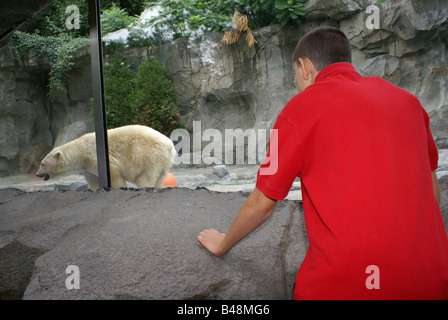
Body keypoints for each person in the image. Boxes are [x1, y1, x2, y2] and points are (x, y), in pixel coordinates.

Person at [197, 26, 448, 299]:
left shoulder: (299, 109)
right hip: (431, 276)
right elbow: (431, 189)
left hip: (348, 285)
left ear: (304, 67)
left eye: (296, 75)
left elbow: (262, 203)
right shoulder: (410, 102)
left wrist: (223, 244)